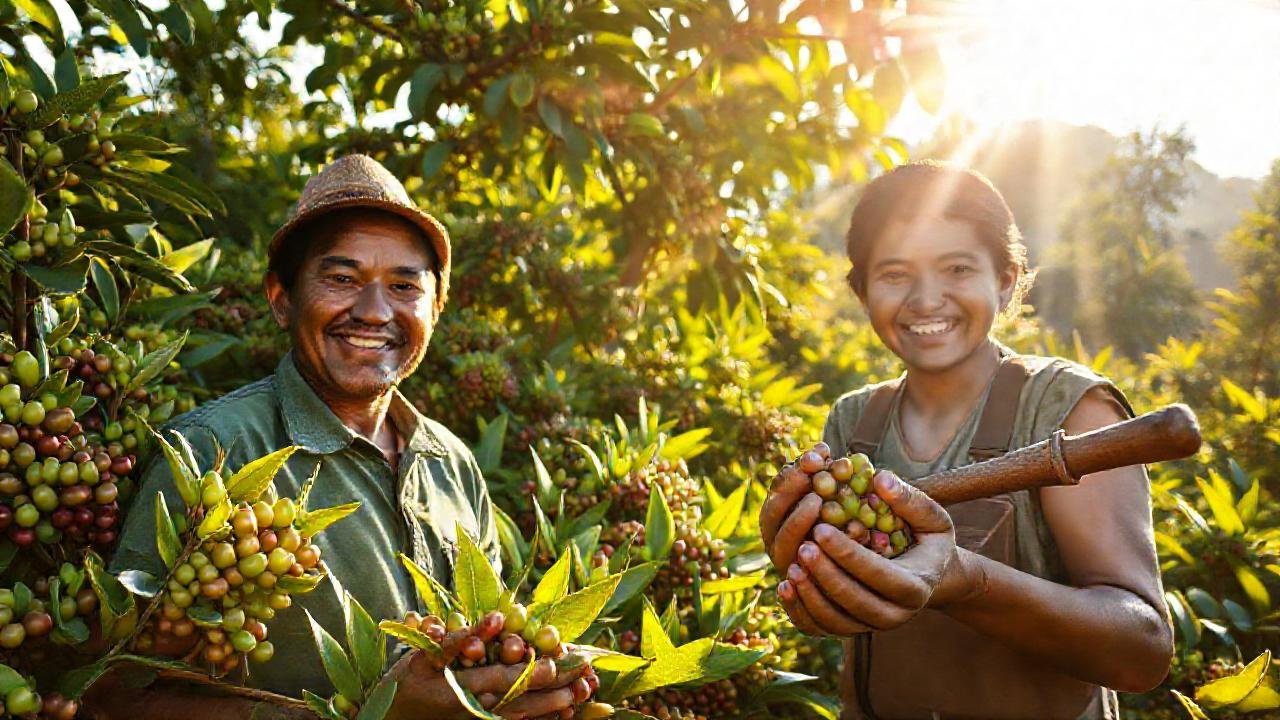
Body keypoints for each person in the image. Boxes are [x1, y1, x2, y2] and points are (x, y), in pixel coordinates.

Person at [91, 155, 582, 719]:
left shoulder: (452, 462)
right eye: (342, 279)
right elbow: (120, 696)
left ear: (437, 308)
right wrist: (373, 714)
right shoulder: (212, 452)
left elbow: (479, 653)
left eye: (404, 285)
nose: (375, 312)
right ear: (282, 299)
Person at [759, 162, 1173, 719]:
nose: (926, 299)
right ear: (861, 291)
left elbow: (1141, 651)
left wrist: (963, 580)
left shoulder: (1068, 411)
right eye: (894, 273)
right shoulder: (855, 422)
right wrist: (812, 586)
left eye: (956, 267)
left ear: (1006, 280)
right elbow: (841, 612)